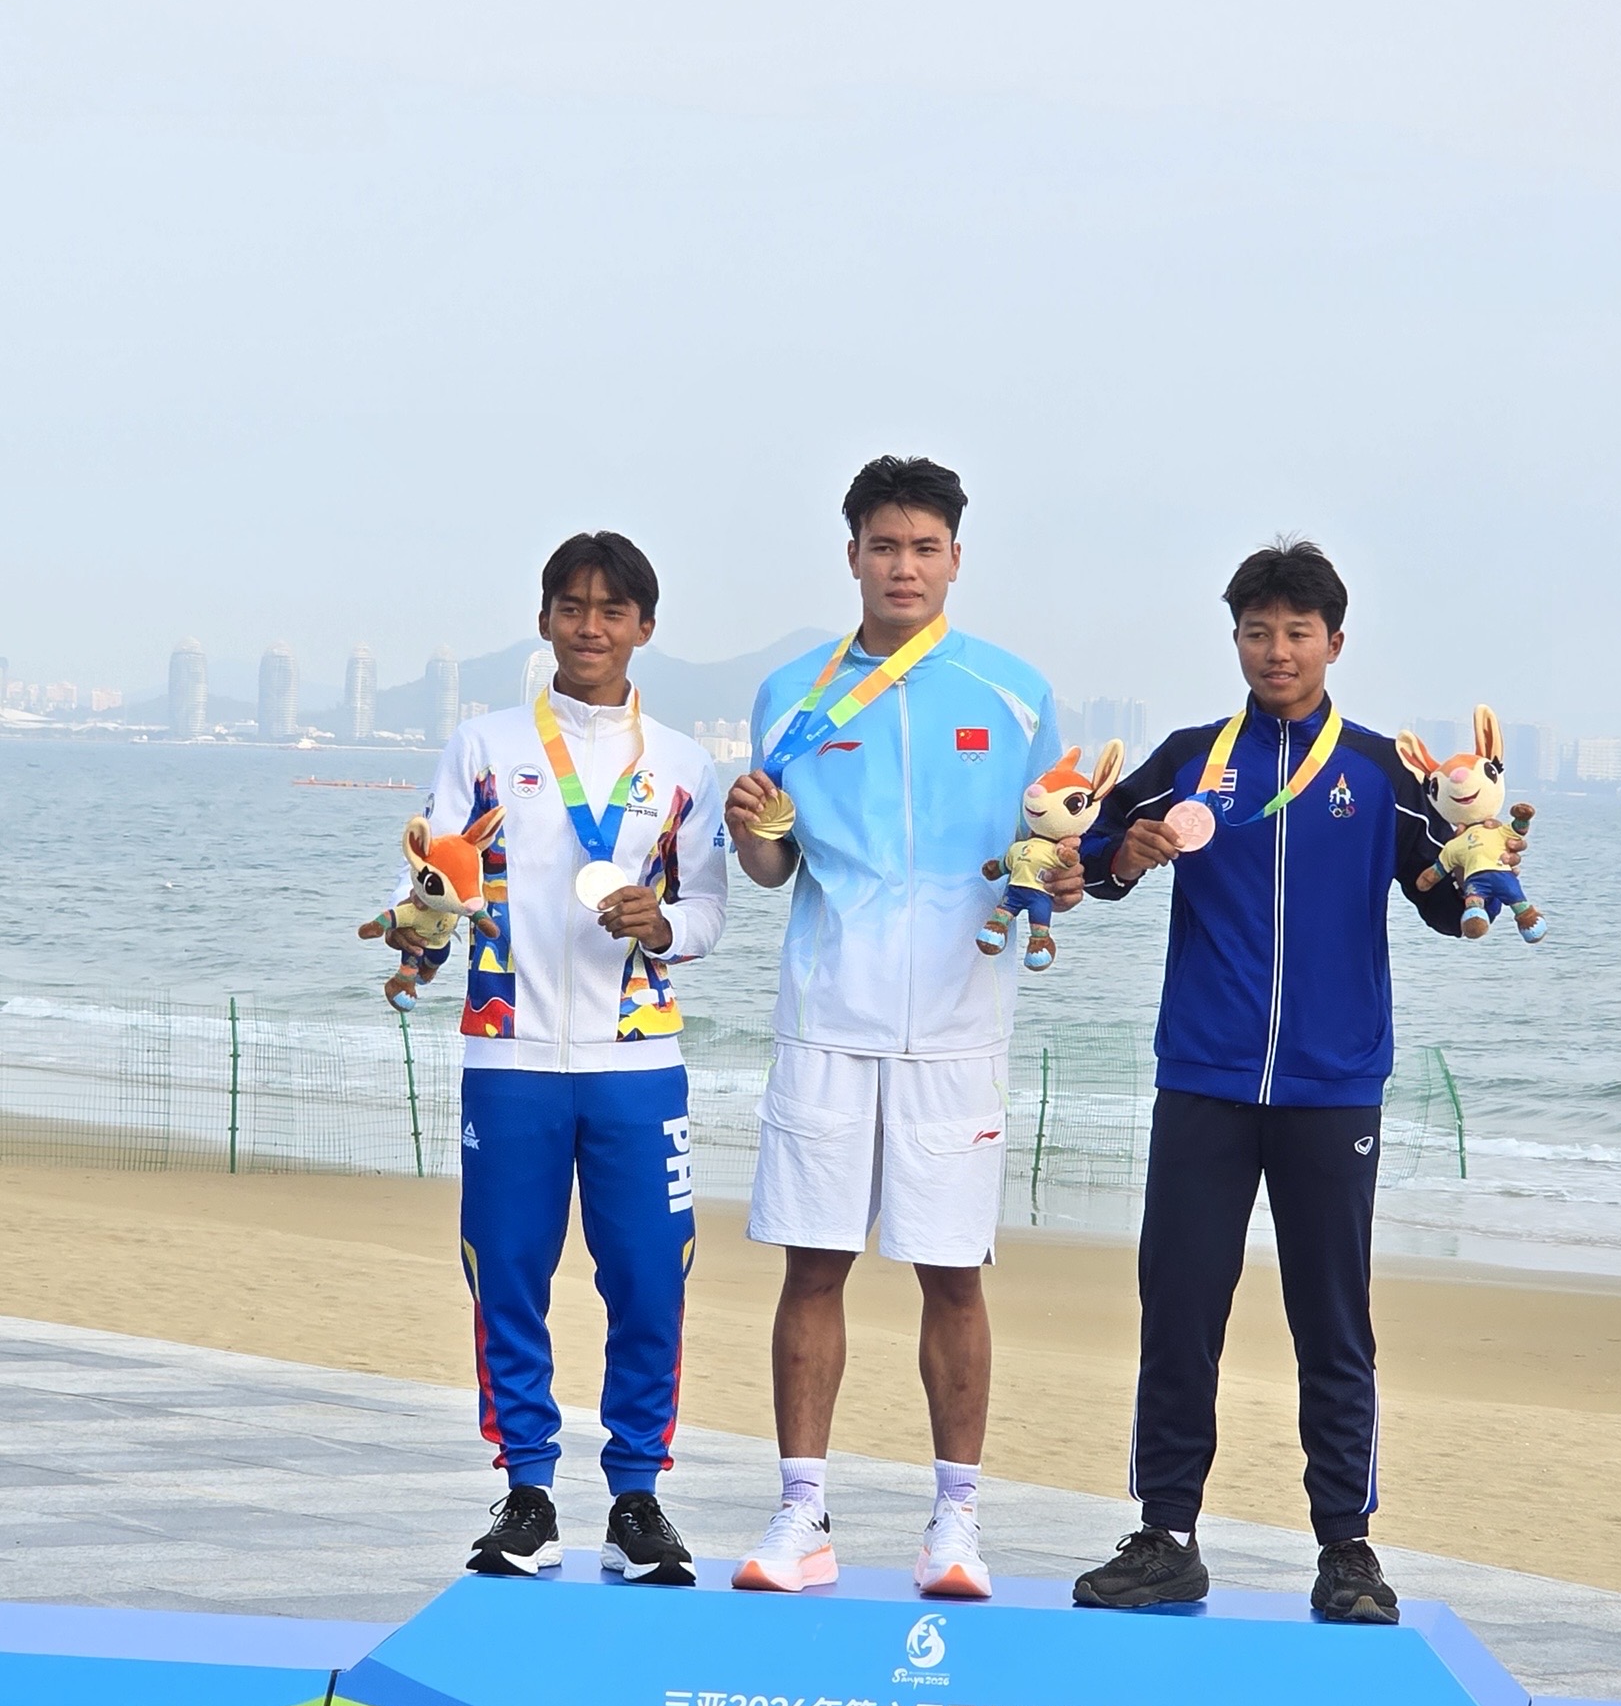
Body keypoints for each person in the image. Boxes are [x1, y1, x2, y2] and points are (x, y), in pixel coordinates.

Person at [1070, 540, 1515, 1622]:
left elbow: (1440, 899)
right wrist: (1122, 855)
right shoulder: (1190, 756)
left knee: (1332, 1320)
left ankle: (1346, 1548)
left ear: (1334, 643)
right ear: (1235, 639)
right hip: (1205, 1076)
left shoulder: (1378, 768)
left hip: (1334, 1085)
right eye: (1258, 631)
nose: (1277, 650)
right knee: (1180, 1307)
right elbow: (1087, 856)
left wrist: (1481, 860)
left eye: (1298, 633)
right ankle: (1167, 1534)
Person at [723, 455, 1071, 1599]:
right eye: (884, 547)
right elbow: (772, 867)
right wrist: (750, 831)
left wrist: (1067, 882)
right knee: (812, 1265)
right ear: (853, 556)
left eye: (924, 548)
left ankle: (955, 1525)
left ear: (956, 559)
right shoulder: (792, 695)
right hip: (827, 1017)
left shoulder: (1015, 694)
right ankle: (801, 1515)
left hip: (961, 1024)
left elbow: (1050, 856)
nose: (903, 567)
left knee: (952, 1276)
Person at [394, 532, 726, 1585]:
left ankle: (637, 1497)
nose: (590, 627)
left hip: (638, 1063)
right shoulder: (483, 746)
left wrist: (664, 924)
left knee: (650, 1281)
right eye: (572, 607)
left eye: (612, 610)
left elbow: (710, 909)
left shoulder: (682, 764)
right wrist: (414, 935)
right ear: (543, 620)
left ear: (645, 627)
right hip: (509, 1054)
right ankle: (528, 1492)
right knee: (505, 1273)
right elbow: (436, 878)